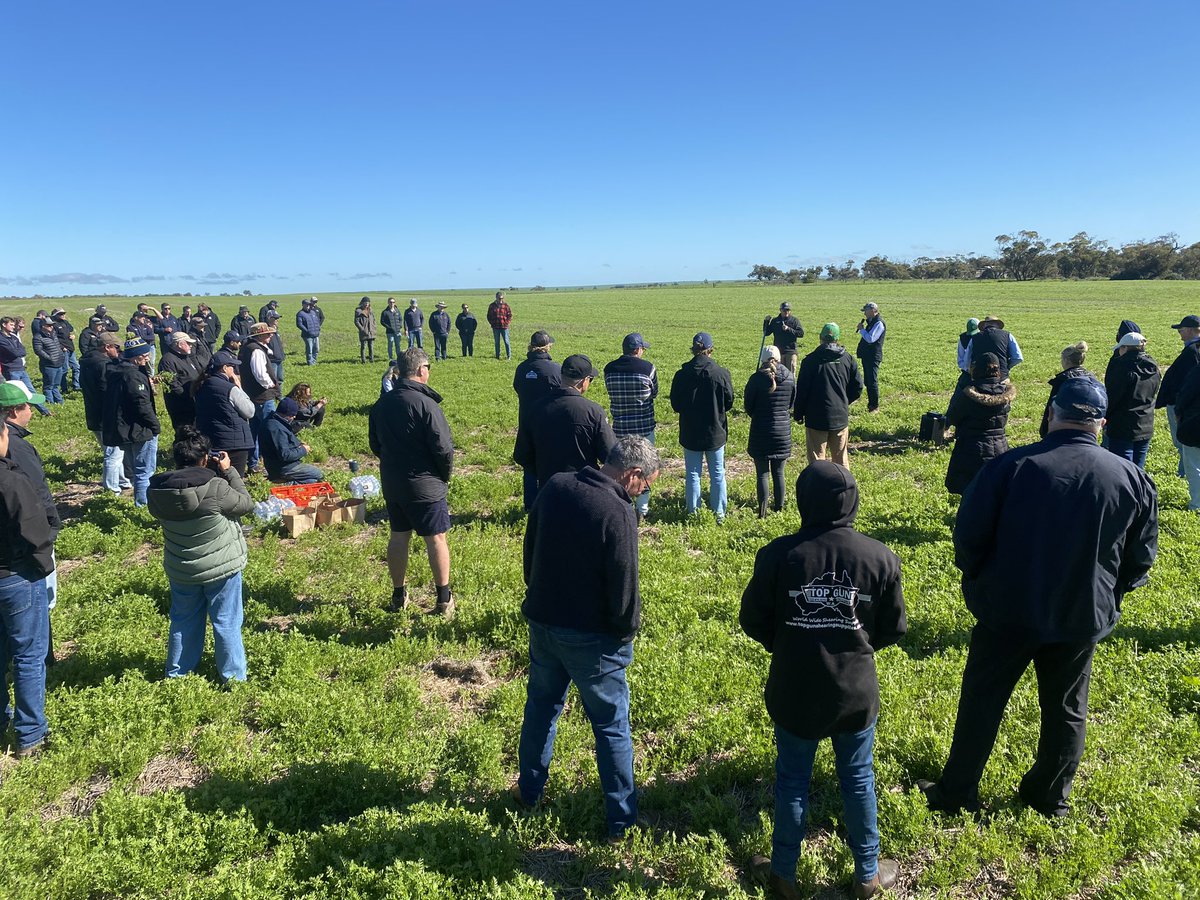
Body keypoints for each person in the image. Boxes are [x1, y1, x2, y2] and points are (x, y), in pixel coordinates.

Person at [918, 377, 1157, 818]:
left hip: (1007, 610)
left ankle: (957, 793)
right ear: (1100, 424)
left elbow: (969, 539)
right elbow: (1140, 561)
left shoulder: (1009, 467)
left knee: (982, 702)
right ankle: (1050, 797)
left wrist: (980, 583)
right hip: (1080, 615)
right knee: (1067, 708)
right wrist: (1108, 594)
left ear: (1052, 415)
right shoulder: (1131, 478)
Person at [740, 461, 905, 899]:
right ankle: (867, 875)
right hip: (854, 691)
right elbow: (893, 628)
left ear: (802, 500)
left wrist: (789, 644)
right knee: (857, 778)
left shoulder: (779, 554)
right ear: (852, 500)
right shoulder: (880, 557)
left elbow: (752, 619)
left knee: (792, 780)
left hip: (794, 687)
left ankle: (783, 874)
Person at [514, 435, 660, 841]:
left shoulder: (557, 485)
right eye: (645, 485)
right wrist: (625, 632)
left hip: (543, 623)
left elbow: (531, 551)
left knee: (542, 707)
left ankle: (529, 792)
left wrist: (539, 596)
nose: (643, 493)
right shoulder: (617, 510)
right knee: (611, 724)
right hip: (593, 639)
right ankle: (621, 821)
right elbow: (625, 586)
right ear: (632, 474)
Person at [147, 426, 254, 684]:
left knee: (183, 620)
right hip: (221, 566)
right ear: (205, 458)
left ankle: (177, 675)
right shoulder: (215, 487)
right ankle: (233, 679)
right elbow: (246, 503)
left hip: (182, 568)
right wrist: (229, 470)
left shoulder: (156, 491)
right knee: (226, 621)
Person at [368, 348, 455, 616]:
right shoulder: (426, 404)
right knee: (436, 539)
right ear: (420, 370)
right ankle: (443, 599)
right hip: (425, 485)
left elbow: (375, 445)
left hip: (394, 483)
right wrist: (443, 476)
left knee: (398, 537)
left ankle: (398, 596)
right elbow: (444, 449)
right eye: (428, 366)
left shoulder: (382, 403)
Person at [0, 418, 54, 759]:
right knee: (29, 656)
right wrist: (43, 564)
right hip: (17, 576)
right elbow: (36, 532)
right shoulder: (11, 481)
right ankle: (30, 734)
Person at [514, 354, 617, 492]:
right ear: (583, 381)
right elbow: (610, 455)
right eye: (590, 380)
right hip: (583, 488)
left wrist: (542, 472)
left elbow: (522, 455)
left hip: (548, 489)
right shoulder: (593, 412)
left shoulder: (535, 409)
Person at [670, 332, 734, 521]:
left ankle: (693, 512)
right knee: (717, 474)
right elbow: (728, 402)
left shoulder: (682, 374)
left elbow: (675, 404)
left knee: (692, 474)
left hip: (690, 432)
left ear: (694, 350)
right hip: (715, 432)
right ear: (710, 350)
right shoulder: (721, 373)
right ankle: (720, 514)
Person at [603, 333, 659, 521]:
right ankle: (642, 509)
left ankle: (622, 505)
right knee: (645, 470)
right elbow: (654, 393)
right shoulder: (648, 368)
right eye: (642, 348)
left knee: (621, 470)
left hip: (619, 428)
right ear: (637, 350)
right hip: (644, 427)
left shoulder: (609, 369)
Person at [944, 352, 1015, 495]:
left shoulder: (969, 394)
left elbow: (952, 418)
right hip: (1000, 447)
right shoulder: (1005, 394)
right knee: (994, 490)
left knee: (970, 489)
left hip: (971, 448)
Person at [793, 323, 863, 469]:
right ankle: (844, 488)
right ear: (837, 339)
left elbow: (802, 391)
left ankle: (819, 490)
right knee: (841, 461)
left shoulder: (810, 361)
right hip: (839, 417)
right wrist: (843, 401)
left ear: (820, 338)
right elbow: (858, 387)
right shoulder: (848, 359)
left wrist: (798, 413)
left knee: (817, 461)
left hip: (815, 418)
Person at [102, 339, 161, 507]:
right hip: (139, 429)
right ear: (136, 357)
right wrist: (154, 426)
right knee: (145, 471)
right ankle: (144, 505)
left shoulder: (116, 370)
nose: (148, 359)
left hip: (124, 428)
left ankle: (140, 501)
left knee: (136, 469)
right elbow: (141, 404)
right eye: (145, 356)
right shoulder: (133, 375)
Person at [745, 345, 796, 518]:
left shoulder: (755, 379)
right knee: (779, 472)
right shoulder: (789, 377)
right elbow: (791, 404)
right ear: (780, 358)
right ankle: (779, 508)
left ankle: (763, 512)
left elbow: (748, 407)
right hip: (782, 432)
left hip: (760, 431)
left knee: (762, 474)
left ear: (763, 359)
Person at [512, 331, 561, 509]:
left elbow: (518, 387)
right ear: (547, 347)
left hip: (526, 424)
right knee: (549, 465)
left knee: (530, 466)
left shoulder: (522, 368)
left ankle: (530, 506)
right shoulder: (555, 369)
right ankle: (548, 505)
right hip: (549, 425)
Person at [80, 333, 131, 493]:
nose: (119, 351)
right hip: (106, 416)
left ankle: (122, 481)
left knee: (115, 452)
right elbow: (107, 391)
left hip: (93, 413)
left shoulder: (87, 360)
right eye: (116, 348)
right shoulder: (103, 365)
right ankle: (111, 489)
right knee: (113, 453)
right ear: (106, 347)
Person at [1103, 332, 1160, 470]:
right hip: (1145, 424)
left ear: (1126, 348)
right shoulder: (1153, 366)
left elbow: (1113, 396)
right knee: (1138, 470)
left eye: (1121, 348)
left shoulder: (1123, 367)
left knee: (1122, 470)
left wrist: (1105, 416)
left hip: (1122, 426)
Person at [194, 351, 256, 476]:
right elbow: (249, 411)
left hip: (212, 441)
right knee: (234, 478)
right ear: (224, 368)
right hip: (234, 443)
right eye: (232, 366)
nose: (234, 369)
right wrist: (239, 387)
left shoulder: (201, 385)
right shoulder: (229, 388)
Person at [1155, 314, 1200, 482]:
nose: (1179, 334)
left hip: (1182, 405)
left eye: (1181, 330)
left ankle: (1184, 476)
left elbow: (1190, 383)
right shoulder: (1194, 348)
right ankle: (1183, 473)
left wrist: (1180, 406)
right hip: (1188, 404)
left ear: (1189, 330)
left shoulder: (1192, 351)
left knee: (1183, 442)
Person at [239, 322, 281, 474]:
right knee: (269, 430)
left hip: (253, 396)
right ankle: (270, 463)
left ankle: (253, 463)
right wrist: (270, 384)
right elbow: (260, 374)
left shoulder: (248, 347)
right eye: (268, 333)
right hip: (263, 397)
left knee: (254, 431)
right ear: (259, 335)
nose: (271, 335)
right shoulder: (256, 350)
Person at [260, 398, 323, 485]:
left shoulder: (273, 421)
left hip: (276, 465)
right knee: (318, 474)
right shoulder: (277, 429)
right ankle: (283, 482)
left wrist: (298, 444)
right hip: (284, 467)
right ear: (286, 414)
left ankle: (287, 481)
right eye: (292, 415)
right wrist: (303, 450)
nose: (294, 417)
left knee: (312, 481)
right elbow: (285, 455)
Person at [1039, 342, 1092, 437]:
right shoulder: (1091, 377)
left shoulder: (1063, 380)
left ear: (1066, 360)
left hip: (1063, 426)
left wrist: (1044, 430)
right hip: (1086, 428)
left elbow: (1052, 407)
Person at [0, 317, 50, 416]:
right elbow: (14, 352)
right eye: (11, 325)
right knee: (15, 394)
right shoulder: (1, 338)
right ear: (4, 325)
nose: (13, 327)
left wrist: (17, 352)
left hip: (21, 368)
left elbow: (23, 351)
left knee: (30, 390)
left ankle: (44, 411)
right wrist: (17, 351)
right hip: (10, 369)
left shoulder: (13, 337)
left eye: (14, 325)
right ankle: (14, 415)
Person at [157, 332, 205, 429]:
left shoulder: (187, 356)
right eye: (188, 343)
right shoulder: (167, 360)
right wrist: (189, 397)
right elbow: (172, 385)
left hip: (194, 403)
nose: (191, 346)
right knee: (185, 434)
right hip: (181, 406)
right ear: (179, 344)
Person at [963, 315, 1023, 387]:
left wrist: (972, 371)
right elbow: (1018, 357)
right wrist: (1006, 367)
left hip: (979, 379)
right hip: (1001, 378)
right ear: (997, 324)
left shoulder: (975, 337)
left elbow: (966, 361)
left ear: (985, 325)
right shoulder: (1008, 335)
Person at [855, 302, 886, 413]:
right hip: (867, 356)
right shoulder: (872, 322)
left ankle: (874, 406)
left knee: (872, 381)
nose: (865, 314)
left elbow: (870, 339)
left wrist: (862, 329)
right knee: (868, 381)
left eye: (866, 311)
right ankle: (871, 405)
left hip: (873, 357)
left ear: (873, 310)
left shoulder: (879, 323)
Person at [32, 318, 66, 406]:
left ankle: (59, 401)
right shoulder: (38, 337)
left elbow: (57, 345)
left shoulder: (53, 334)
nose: (51, 327)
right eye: (49, 325)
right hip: (49, 365)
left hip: (58, 363)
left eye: (52, 325)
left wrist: (61, 354)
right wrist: (50, 358)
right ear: (43, 326)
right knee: (48, 386)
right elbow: (38, 351)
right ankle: (50, 403)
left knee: (56, 385)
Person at [764, 302, 805, 373]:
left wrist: (789, 329)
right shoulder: (775, 321)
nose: (786, 312)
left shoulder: (794, 320)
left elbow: (801, 333)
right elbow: (766, 333)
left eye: (788, 310)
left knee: (791, 373)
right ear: (780, 310)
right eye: (784, 310)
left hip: (791, 351)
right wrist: (766, 322)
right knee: (778, 373)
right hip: (778, 352)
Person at [50, 309, 79, 394]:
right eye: (60, 314)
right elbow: (53, 339)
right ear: (55, 315)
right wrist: (62, 347)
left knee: (76, 367)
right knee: (64, 369)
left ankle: (76, 386)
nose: (63, 315)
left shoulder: (65, 322)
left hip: (70, 348)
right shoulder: (53, 325)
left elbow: (70, 329)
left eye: (64, 313)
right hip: (63, 350)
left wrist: (72, 336)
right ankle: (64, 388)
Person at [488, 291, 513, 359]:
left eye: (502, 298)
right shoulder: (492, 306)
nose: (500, 300)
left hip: (504, 327)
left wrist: (507, 322)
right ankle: (497, 356)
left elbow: (510, 315)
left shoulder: (506, 305)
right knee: (497, 342)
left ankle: (509, 356)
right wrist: (492, 323)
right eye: (499, 298)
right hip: (495, 327)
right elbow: (489, 316)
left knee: (506, 341)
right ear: (496, 298)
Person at [296, 298, 322, 365]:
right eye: (306, 304)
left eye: (309, 304)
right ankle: (310, 362)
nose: (308, 306)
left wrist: (318, 328)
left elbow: (317, 321)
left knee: (316, 349)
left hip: (316, 334)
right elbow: (299, 324)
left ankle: (314, 361)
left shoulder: (313, 312)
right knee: (309, 349)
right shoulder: (300, 313)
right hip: (307, 335)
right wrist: (307, 331)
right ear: (303, 305)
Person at [381, 297, 406, 361]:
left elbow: (400, 319)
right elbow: (382, 321)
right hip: (390, 332)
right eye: (390, 302)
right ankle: (391, 358)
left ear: (395, 303)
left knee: (398, 345)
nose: (392, 303)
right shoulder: (385, 312)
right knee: (390, 344)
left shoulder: (397, 311)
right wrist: (389, 327)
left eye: (393, 302)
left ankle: (398, 357)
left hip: (397, 331)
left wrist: (400, 326)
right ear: (388, 303)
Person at [264, 310, 285, 383]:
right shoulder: (266, 330)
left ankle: (279, 394)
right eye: (275, 318)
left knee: (280, 379)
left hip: (279, 358)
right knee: (273, 380)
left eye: (277, 318)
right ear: (269, 318)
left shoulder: (276, 330)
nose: (277, 320)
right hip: (272, 360)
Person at [355, 297, 377, 363]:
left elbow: (373, 319)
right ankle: (363, 360)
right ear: (362, 303)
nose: (367, 304)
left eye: (368, 303)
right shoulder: (358, 311)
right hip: (364, 332)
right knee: (363, 346)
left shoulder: (370, 310)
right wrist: (362, 329)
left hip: (371, 331)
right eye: (365, 302)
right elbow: (356, 321)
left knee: (371, 346)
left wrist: (374, 327)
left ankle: (371, 359)